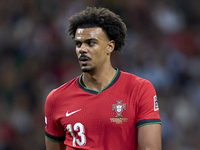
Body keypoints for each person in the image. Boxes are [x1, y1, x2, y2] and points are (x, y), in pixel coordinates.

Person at [44, 7, 162, 150]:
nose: (82, 49)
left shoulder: (139, 89)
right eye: (78, 44)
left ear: (110, 46)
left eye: (91, 43)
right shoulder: (56, 98)